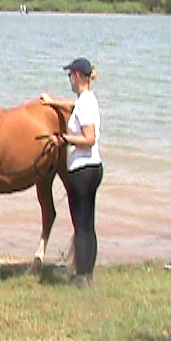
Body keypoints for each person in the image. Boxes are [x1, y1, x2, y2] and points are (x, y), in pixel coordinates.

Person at [40, 57, 103, 287]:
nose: (69, 79)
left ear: (77, 76)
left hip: (82, 171)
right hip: (93, 167)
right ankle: (87, 274)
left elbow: (89, 138)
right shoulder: (87, 99)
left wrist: (63, 139)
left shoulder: (85, 103)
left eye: (70, 75)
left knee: (81, 225)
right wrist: (53, 102)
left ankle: (81, 276)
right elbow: (72, 106)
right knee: (88, 223)